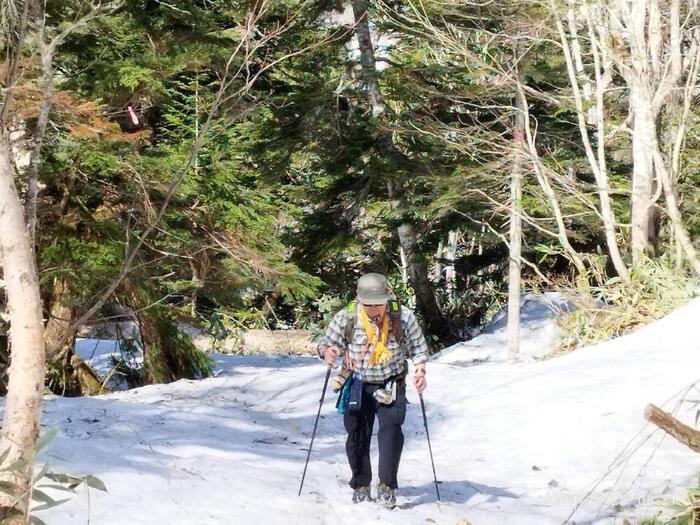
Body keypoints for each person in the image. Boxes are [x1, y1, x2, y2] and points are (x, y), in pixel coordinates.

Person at [317, 272, 429, 507]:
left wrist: (420, 371)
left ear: (387, 298)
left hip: (391, 381)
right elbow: (326, 343)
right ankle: (361, 484)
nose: (373, 309)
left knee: (391, 432)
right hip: (357, 383)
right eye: (368, 304)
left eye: (379, 304)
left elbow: (418, 347)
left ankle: (387, 485)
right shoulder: (347, 316)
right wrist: (327, 351)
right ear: (358, 299)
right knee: (357, 433)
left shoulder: (401, 316)